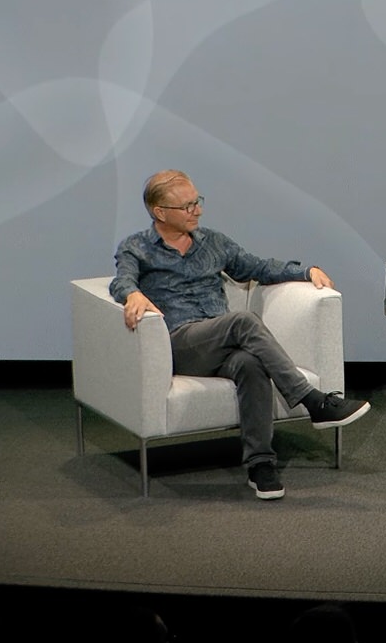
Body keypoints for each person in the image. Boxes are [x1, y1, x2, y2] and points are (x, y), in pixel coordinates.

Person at [110, 170, 368, 499]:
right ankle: (313, 401)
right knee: (243, 322)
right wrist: (132, 294)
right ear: (160, 212)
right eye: (187, 206)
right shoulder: (137, 247)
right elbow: (121, 280)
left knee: (250, 362)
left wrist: (304, 271)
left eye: (197, 202)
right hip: (179, 343)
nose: (197, 211)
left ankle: (260, 464)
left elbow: (256, 267)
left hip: (220, 342)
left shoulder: (214, 242)